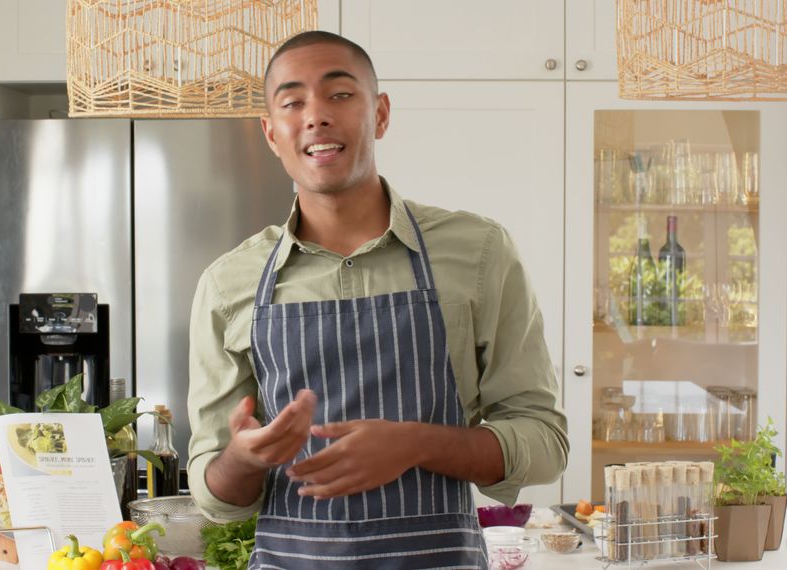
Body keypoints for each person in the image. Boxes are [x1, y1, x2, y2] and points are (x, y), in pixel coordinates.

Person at [186, 30, 568, 569]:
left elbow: (544, 439)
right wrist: (244, 458)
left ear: (380, 114)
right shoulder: (228, 284)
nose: (316, 115)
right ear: (272, 134)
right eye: (293, 102)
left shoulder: (479, 252)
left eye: (340, 94)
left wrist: (416, 443)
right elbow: (214, 492)